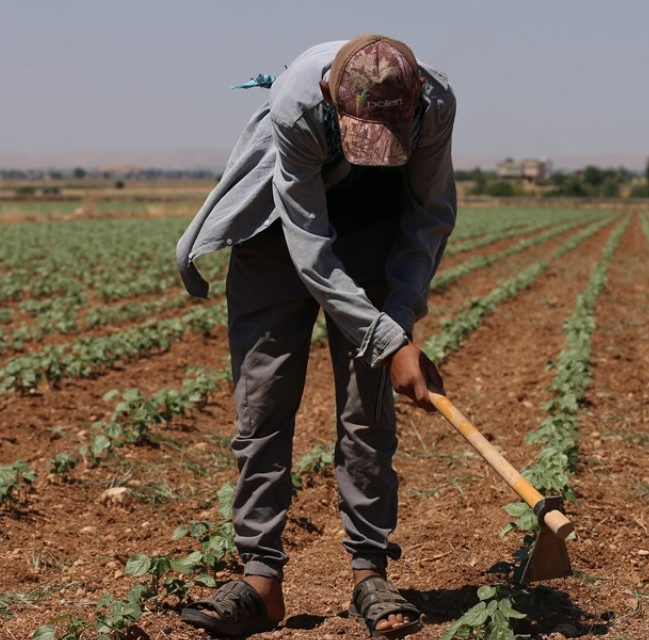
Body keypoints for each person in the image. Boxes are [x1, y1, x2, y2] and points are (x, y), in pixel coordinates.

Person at [174, 34, 456, 638]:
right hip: (279, 229)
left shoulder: (433, 104)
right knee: (264, 399)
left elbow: (430, 214)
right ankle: (260, 580)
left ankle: (369, 574)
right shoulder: (298, 104)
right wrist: (387, 341)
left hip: (372, 227)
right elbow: (309, 248)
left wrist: (398, 323)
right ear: (332, 97)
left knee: (366, 410)